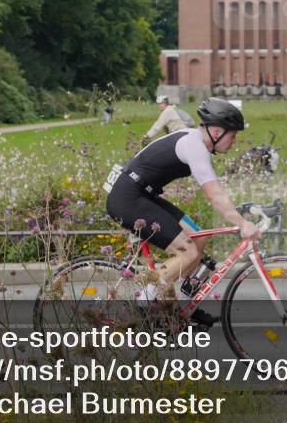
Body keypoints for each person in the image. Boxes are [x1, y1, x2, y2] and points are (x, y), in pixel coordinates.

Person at [105, 98, 259, 327]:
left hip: (142, 195)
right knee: (187, 252)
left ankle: (181, 308)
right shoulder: (195, 146)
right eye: (232, 135)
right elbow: (214, 194)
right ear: (216, 131)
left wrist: (237, 215)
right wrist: (242, 222)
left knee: (199, 239)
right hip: (128, 198)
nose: (234, 141)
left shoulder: (195, 141)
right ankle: (143, 304)